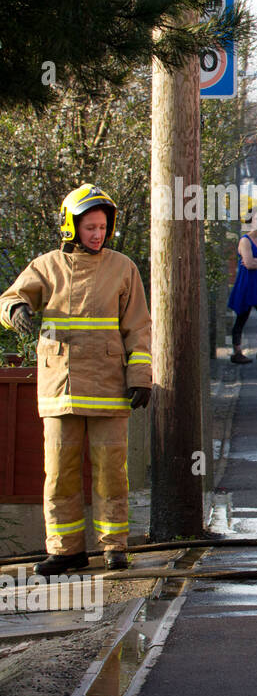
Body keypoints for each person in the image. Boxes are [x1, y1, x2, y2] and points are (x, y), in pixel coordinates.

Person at [0, 185, 152, 575]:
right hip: (61, 388)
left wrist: (141, 376)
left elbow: (138, 327)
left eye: (102, 227)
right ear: (71, 226)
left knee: (111, 471)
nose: (97, 234)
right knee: (59, 472)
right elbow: (9, 297)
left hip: (108, 388)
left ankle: (114, 547)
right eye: (90, 227)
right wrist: (16, 309)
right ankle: (65, 551)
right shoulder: (47, 266)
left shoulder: (123, 268)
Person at [227, 206, 257, 364]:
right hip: (246, 284)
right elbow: (248, 264)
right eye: (256, 219)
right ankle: (237, 352)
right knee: (242, 318)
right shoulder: (244, 240)